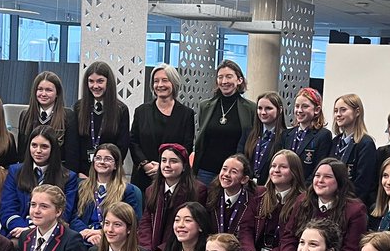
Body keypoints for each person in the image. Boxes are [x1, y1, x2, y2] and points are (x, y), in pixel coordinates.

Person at [0, 125, 79, 237]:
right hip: (18, 230)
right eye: (34, 145)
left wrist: (33, 230)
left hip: (51, 233)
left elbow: (64, 213)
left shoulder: (68, 177)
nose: (38, 151)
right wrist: (24, 230)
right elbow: (7, 208)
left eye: (44, 146)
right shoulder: (15, 171)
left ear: (53, 149)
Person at [129, 64, 195, 194]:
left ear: (174, 83)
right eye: (156, 81)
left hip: (173, 177)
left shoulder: (186, 114)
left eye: (165, 80)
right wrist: (145, 164)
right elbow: (133, 142)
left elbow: (186, 146)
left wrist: (164, 166)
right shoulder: (141, 111)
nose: (160, 84)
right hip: (144, 175)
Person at [137, 143, 206, 251]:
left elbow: (193, 226)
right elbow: (146, 222)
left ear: (184, 166)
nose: (167, 165)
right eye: (164, 160)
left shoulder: (197, 190)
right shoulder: (152, 190)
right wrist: (147, 250)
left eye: (173, 161)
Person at [194, 60, 254, 184]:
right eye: (220, 77)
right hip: (206, 171)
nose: (224, 81)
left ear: (239, 80)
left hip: (234, 173)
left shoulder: (251, 109)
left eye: (229, 76)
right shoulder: (205, 106)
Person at [68, 60, 130, 176]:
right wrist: (77, 173)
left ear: (109, 82)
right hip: (82, 174)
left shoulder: (121, 110)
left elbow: (122, 146)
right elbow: (73, 145)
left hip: (109, 173)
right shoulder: (78, 107)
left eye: (100, 81)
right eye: (91, 81)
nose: (95, 86)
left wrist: (110, 170)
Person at [71, 143, 143, 244]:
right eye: (98, 158)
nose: (102, 162)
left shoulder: (127, 190)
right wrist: (86, 232)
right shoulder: (81, 186)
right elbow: (73, 216)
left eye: (108, 159)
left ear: (116, 165)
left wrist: (101, 233)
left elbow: (131, 220)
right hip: (84, 237)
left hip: (112, 238)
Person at [330, 93, 379, 206]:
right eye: (336, 111)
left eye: (343, 110)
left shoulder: (366, 143)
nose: (338, 114)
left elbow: (363, 184)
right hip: (331, 201)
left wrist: (344, 203)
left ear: (357, 112)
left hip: (352, 205)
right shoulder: (335, 141)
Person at [206, 153, 258, 251]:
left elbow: (246, 232)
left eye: (233, 172)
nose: (226, 174)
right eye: (224, 169)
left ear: (244, 179)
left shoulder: (251, 201)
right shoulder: (211, 195)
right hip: (211, 250)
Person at [16, 70, 75, 160]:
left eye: (48, 90)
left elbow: (72, 155)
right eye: (40, 89)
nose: (43, 94)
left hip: (59, 171)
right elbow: (22, 153)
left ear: (57, 94)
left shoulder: (68, 116)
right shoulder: (25, 115)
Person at [281, 87, 333, 181]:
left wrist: (303, 190)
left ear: (317, 110)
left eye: (305, 106)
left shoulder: (323, 135)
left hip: (307, 189)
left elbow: (318, 168)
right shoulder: (287, 134)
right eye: (297, 106)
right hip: (286, 186)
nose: (299, 110)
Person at [244, 92, 288, 185]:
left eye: (268, 108)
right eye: (260, 108)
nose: (263, 112)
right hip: (247, 186)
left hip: (272, 187)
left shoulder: (286, 136)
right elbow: (241, 159)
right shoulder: (248, 132)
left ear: (279, 110)